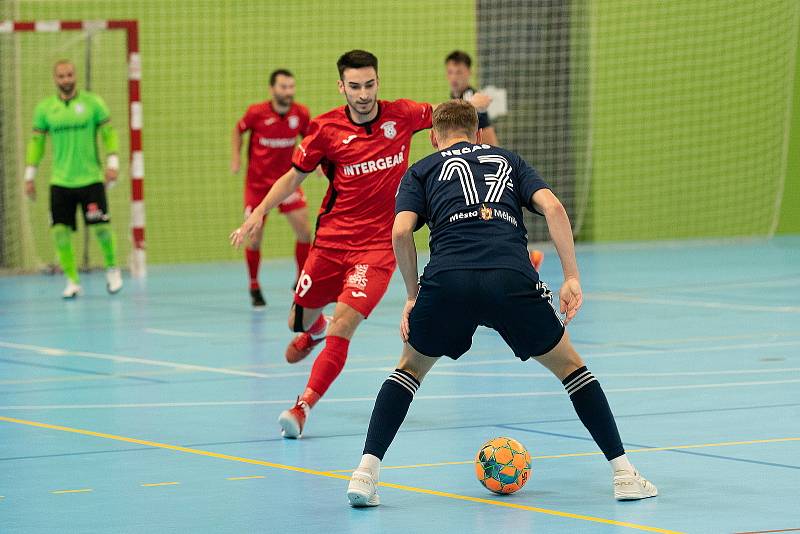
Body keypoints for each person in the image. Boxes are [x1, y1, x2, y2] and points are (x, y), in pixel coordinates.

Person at [346, 100, 658, 507]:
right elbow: (554, 208)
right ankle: (623, 474)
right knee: (571, 368)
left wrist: (411, 296)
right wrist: (572, 277)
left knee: (409, 369)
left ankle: (365, 473)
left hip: (448, 281)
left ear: (433, 138)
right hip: (511, 276)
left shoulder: (420, 170)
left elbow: (401, 233)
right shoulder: (508, 160)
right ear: (478, 134)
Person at [231, 50, 490, 439]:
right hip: (331, 242)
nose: (364, 93)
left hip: (378, 247)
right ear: (342, 87)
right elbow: (292, 178)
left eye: (369, 84)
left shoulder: (401, 115)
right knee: (296, 322)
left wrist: (472, 105)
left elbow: (442, 114)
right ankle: (312, 329)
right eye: (355, 86)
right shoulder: (324, 129)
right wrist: (257, 213)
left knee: (345, 323)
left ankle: (302, 407)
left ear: (377, 83)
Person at [24, 60, 123, 298]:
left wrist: (113, 164)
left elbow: (109, 134)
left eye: (69, 75)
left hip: (90, 179)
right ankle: (71, 280)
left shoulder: (93, 103)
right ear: (55, 79)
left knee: (101, 228)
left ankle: (112, 270)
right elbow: (36, 144)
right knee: (59, 231)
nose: (66, 80)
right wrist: (30, 176)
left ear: (75, 76)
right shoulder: (45, 109)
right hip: (60, 182)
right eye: (61, 76)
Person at [445, 50, 544, 271]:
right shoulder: (458, 100)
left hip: (483, 167)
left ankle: (524, 257)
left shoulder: (471, 99)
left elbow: (488, 136)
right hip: (473, 167)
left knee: (492, 215)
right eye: (450, 72)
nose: (454, 77)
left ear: (468, 72)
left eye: (459, 72)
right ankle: (524, 256)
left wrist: (493, 165)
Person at [231, 69, 312, 307]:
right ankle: (254, 285)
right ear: (272, 90)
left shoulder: (301, 113)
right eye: (283, 87)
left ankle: (299, 281)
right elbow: (238, 130)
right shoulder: (256, 113)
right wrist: (235, 157)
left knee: (305, 232)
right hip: (258, 186)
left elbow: (310, 138)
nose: (288, 92)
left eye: (291, 87)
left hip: (288, 183)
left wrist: (317, 164)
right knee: (254, 239)